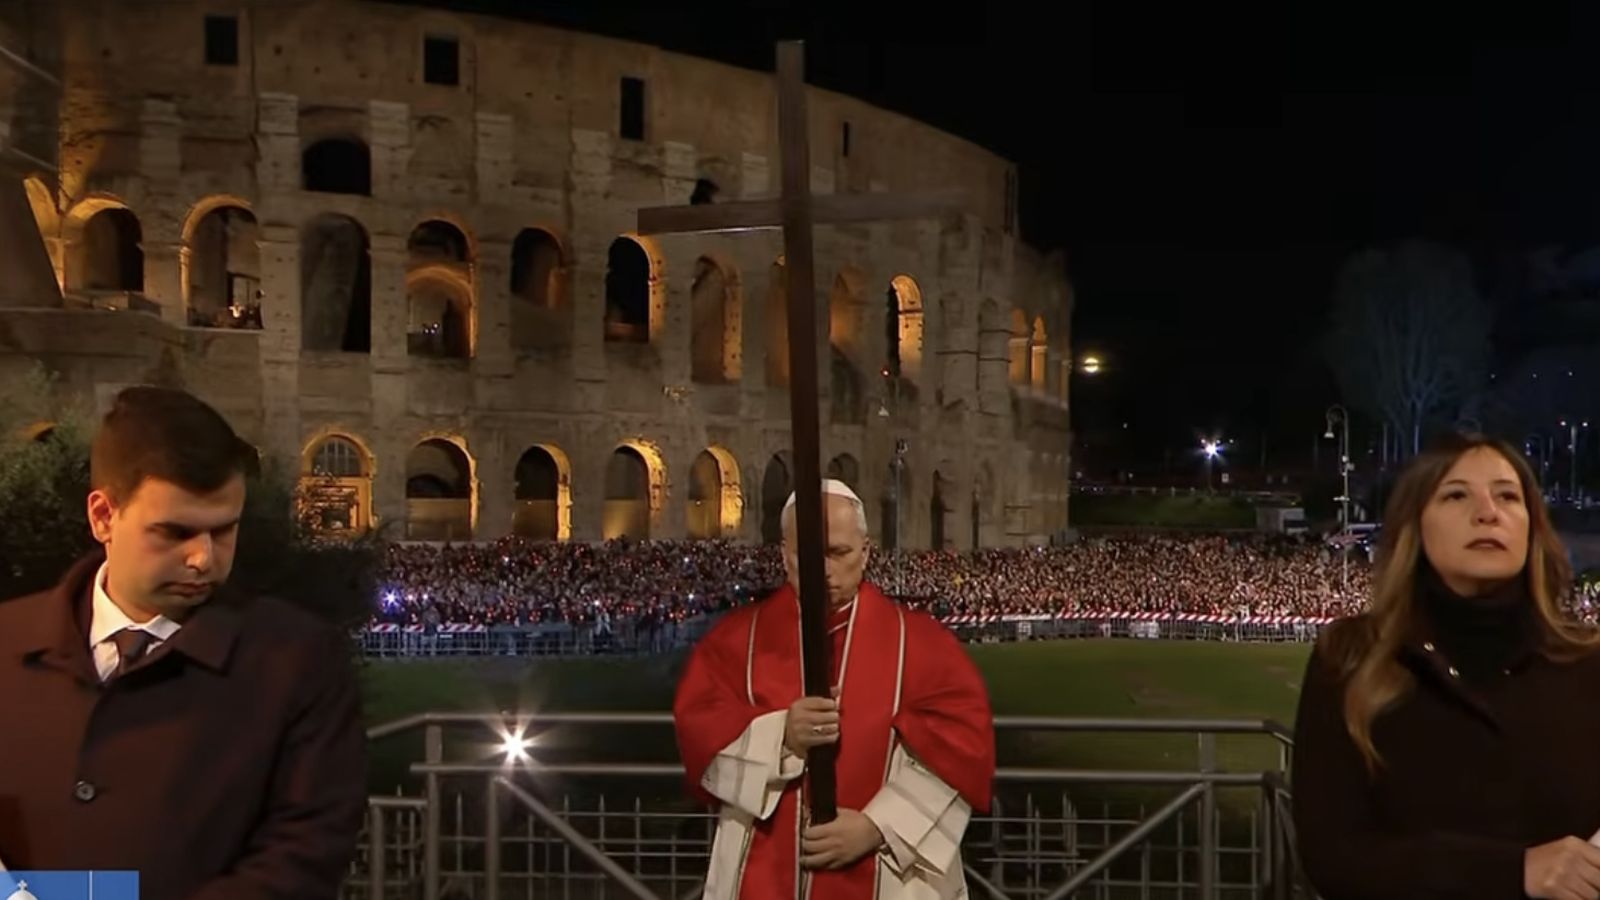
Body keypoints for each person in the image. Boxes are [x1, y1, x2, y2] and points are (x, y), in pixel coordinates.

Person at [0, 386, 367, 899]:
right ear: (103, 516)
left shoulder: (297, 660)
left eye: (223, 531)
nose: (203, 559)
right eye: (175, 533)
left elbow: (304, 855)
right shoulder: (7, 642)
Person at [1292, 434, 1600, 900]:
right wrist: (1514, 872)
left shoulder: (1587, 662)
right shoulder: (1352, 656)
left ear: (1532, 527)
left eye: (1507, 496)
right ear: (1415, 525)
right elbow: (1333, 855)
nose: (1487, 512)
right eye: (1456, 495)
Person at [674, 479, 994, 900]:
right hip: (765, 874)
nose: (823, 569)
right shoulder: (736, 642)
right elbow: (700, 728)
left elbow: (962, 750)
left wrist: (878, 826)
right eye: (806, 554)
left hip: (885, 869)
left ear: (865, 551)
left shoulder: (921, 645)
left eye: (838, 553)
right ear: (783, 554)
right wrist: (782, 735)